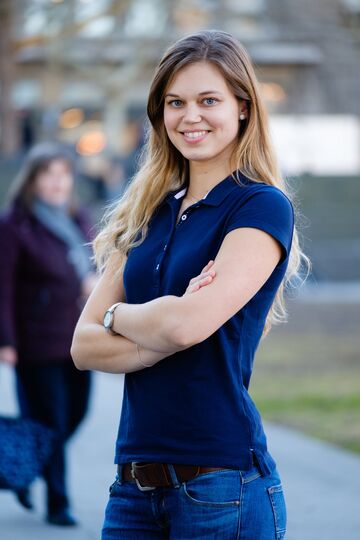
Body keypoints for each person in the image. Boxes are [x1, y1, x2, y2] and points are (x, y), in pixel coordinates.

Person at [71, 30, 308, 539]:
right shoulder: (147, 213)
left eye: (208, 100)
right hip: (132, 489)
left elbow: (184, 328)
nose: (190, 116)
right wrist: (159, 325)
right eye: (175, 102)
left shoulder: (260, 206)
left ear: (243, 107)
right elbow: (83, 344)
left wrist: (120, 319)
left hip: (221, 485)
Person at [0, 142, 97, 526]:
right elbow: (1, 287)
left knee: (77, 413)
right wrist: (5, 340)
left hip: (79, 339)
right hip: (35, 341)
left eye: (63, 175)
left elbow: (90, 263)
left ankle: (24, 466)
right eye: (48, 175)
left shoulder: (77, 218)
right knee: (53, 419)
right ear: (33, 180)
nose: (57, 183)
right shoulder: (14, 225)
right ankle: (59, 503)